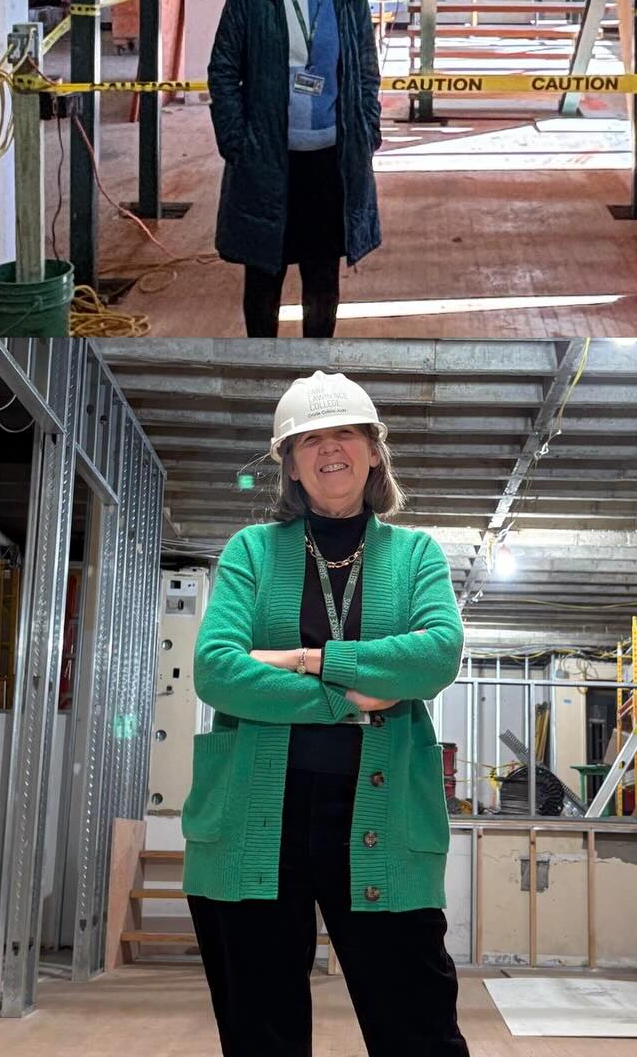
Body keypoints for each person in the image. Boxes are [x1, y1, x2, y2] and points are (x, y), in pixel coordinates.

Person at [183, 371, 469, 1057]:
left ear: (374, 451)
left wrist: (307, 660)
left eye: (345, 433)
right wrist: (357, 691)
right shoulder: (252, 551)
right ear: (288, 463)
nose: (328, 450)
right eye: (307, 439)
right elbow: (218, 670)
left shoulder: (416, 554)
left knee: (418, 1030)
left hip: (385, 819)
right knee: (261, 1035)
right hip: (256, 819)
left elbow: (435, 657)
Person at [207, 0, 383, 338]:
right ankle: (261, 365)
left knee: (322, 277)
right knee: (265, 273)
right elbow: (224, 69)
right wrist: (236, 142)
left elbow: (366, 71)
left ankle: (316, 367)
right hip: (268, 157)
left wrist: (367, 132)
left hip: (330, 160)